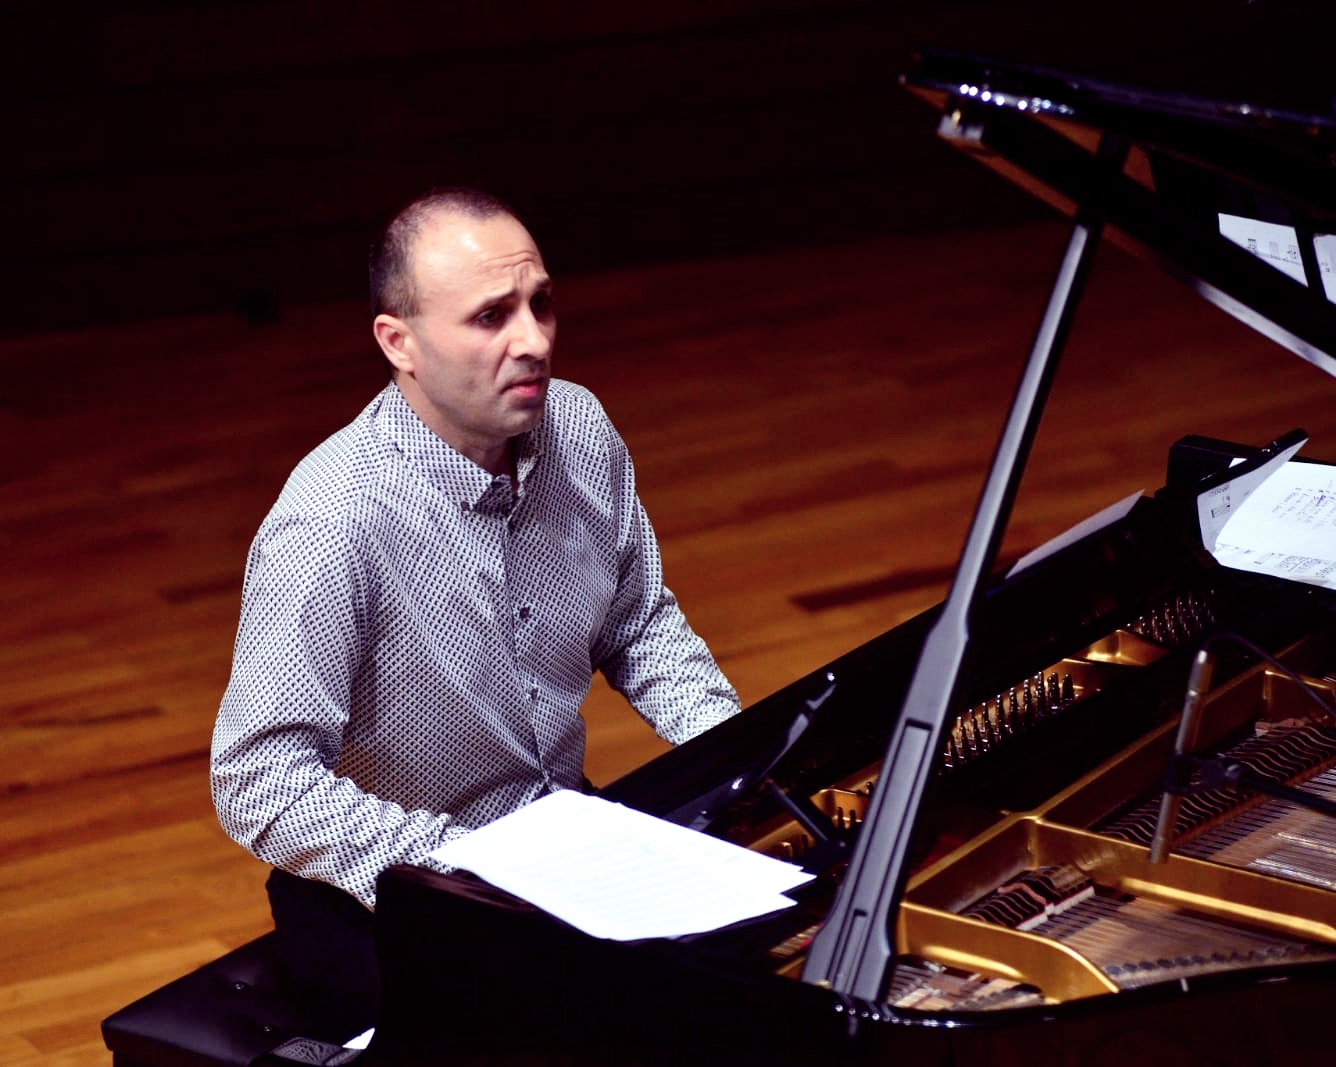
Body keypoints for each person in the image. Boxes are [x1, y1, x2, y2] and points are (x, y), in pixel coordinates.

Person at [210, 187, 740, 1038]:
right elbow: (259, 778)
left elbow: (639, 625)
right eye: (492, 316)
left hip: (558, 843)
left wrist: (742, 760)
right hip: (388, 896)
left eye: (541, 304)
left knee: (737, 988)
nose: (534, 341)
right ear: (400, 342)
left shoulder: (580, 428)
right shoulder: (334, 520)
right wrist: (460, 871)